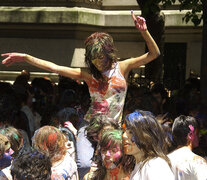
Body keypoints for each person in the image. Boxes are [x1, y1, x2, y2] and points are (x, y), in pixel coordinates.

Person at [1, 11, 160, 125]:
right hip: (91, 126)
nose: (97, 63)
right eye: (93, 60)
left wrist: (144, 32)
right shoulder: (88, 75)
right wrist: (26, 58)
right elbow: (55, 68)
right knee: (85, 164)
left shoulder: (123, 67)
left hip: (114, 128)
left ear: (108, 53)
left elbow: (154, 54)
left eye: (101, 58)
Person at [122, 110, 174, 180]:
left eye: (131, 132)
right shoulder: (139, 165)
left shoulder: (155, 165)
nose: (124, 135)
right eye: (124, 131)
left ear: (146, 136)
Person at [168, 115, 207, 180]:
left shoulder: (165, 160)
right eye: (197, 133)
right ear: (190, 135)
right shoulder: (197, 161)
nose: (200, 135)